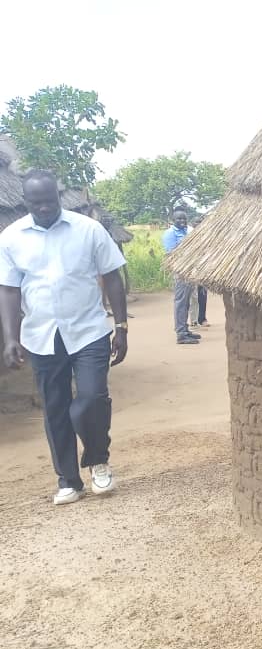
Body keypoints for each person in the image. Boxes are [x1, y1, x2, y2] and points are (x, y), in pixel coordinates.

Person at [0, 170, 129, 505]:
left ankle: (98, 460)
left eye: (50, 201)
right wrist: (11, 338)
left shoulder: (88, 230)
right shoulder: (11, 238)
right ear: (25, 201)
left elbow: (112, 276)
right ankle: (68, 480)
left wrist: (121, 326)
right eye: (37, 203)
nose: (44, 208)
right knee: (55, 408)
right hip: (41, 335)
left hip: (89, 330)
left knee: (91, 398)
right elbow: (9, 290)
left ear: (58, 197)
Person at [161, 209, 199, 345]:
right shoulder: (170, 233)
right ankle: (181, 334)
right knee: (181, 302)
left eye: (184, 218)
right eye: (179, 219)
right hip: (180, 271)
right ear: (173, 220)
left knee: (186, 302)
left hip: (190, 270)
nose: (182, 221)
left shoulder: (187, 231)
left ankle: (185, 329)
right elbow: (171, 253)